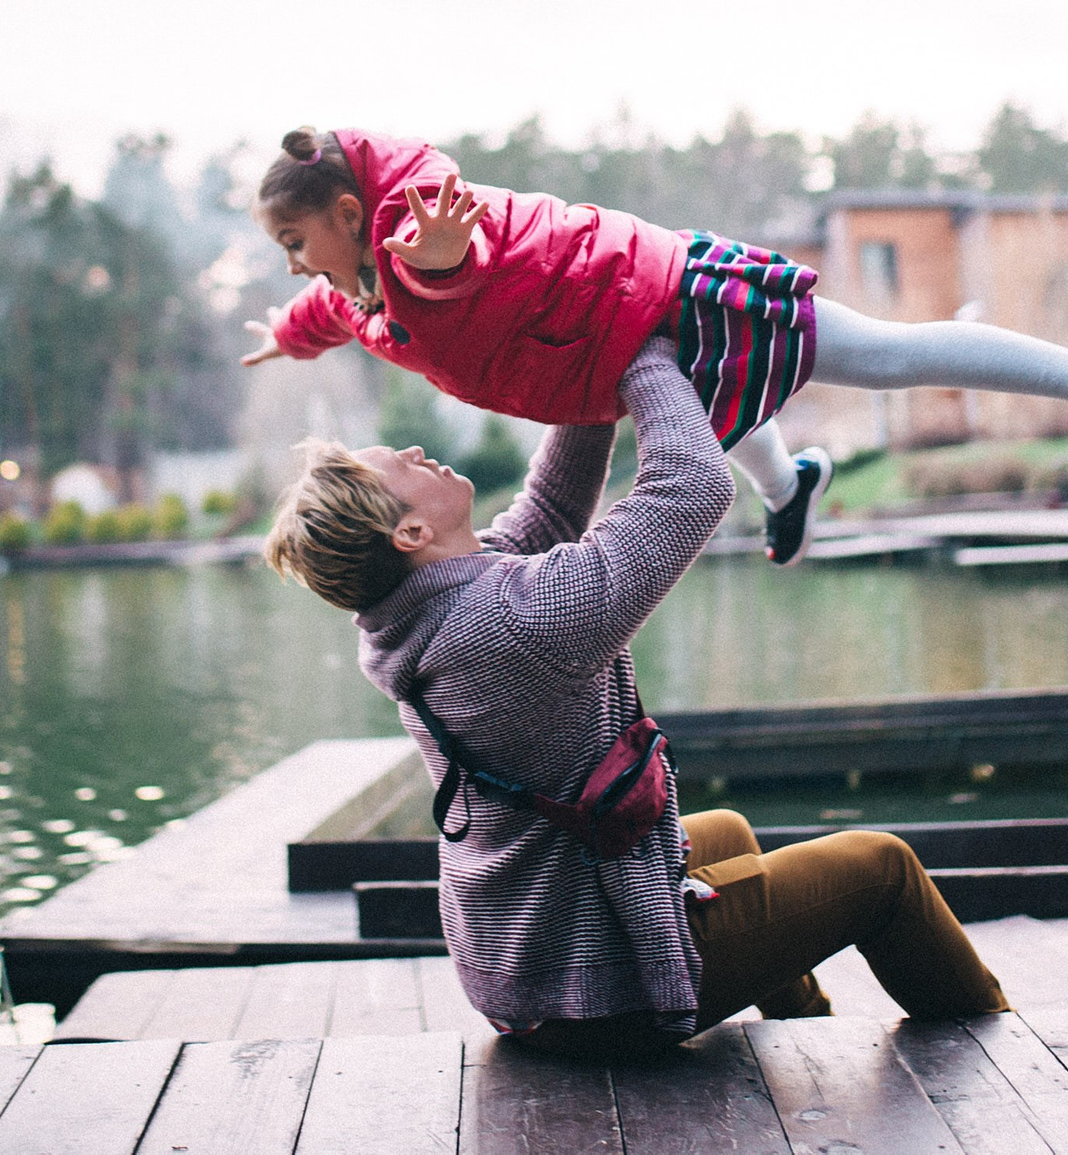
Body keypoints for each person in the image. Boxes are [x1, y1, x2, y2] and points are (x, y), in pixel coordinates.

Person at [261, 337, 1008, 1056]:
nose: (419, 451)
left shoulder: (431, 611)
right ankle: (1003, 1051)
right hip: (600, 997)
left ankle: (806, 1033)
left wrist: (595, 351)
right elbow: (693, 485)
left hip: (533, 978)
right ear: (413, 530)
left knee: (727, 833)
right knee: (882, 867)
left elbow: (551, 509)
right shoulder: (510, 621)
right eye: (404, 465)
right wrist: (647, 349)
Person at [242, 125, 1068, 564]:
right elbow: (338, 316)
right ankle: (794, 492)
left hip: (668, 299)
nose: (294, 265)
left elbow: (484, 257)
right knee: (730, 416)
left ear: (345, 211)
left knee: (885, 356)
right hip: (616, 355)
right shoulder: (366, 297)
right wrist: (290, 335)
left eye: (295, 244)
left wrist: (448, 258)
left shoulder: (436, 242)